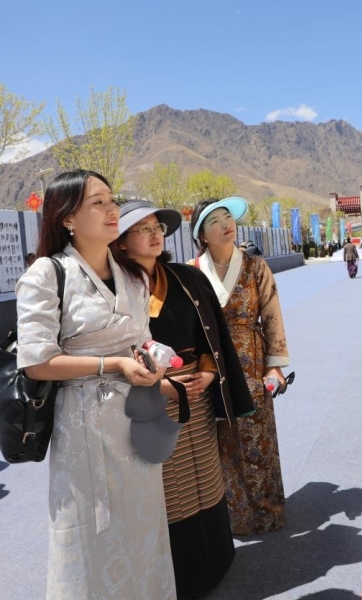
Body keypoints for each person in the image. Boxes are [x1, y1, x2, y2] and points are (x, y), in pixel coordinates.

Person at [15, 170, 176, 599]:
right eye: (98, 203)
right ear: (67, 217)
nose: (112, 210)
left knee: (143, 528)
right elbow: (36, 362)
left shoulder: (133, 275)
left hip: (135, 420)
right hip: (84, 427)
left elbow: (140, 339)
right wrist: (113, 364)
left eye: (112, 200)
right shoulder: (46, 274)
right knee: (90, 534)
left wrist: (153, 360)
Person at [110, 200, 254, 597]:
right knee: (169, 486)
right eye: (143, 229)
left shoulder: (186, 277)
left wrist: (207, 371)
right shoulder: (113, 288)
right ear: (120, 242)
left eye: (157, 227)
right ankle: (182, 577)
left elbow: (210, 332)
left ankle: (217, 558)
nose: (155, 234)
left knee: (205, 474)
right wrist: (161, 383)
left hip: (196, 388)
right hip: (150, 393)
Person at [189, 197, 291, 535]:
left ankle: (266, 510)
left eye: (227, 217)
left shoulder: (256, 266)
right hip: (211, 366)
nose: (225, 224)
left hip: (251, 362)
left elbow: (272, 317)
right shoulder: (191, 272)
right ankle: (232, 517)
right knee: (219, 440)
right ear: (202, 235)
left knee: (256, 436)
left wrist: (275, 366)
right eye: (214, 221)